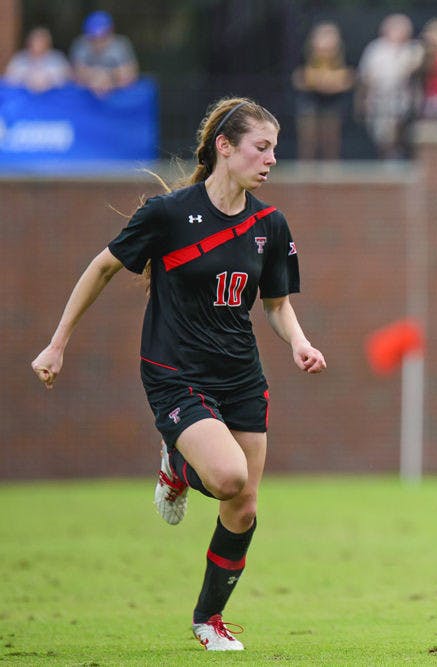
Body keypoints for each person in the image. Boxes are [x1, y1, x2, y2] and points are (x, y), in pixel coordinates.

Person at [30, 97, 327, 650]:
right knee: (229, 477)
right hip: (176, 372)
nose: (270, 160)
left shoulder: (271, 224)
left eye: (274, 151)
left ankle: (207, 621)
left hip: (242, 376)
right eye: (261, 148)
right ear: (225, 147)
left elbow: (276, 304)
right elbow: (102, 269)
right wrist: (57, 343)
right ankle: (177, 460)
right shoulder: (168, 214)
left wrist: (301, 344)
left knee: (244, 507)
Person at [355, 13, 423, 159]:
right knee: (382, 137)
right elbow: (365, 77)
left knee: (401, 135)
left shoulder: (414, 49)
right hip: (379, 100)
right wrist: (362, 101)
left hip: (405, 100)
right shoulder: (375, 49)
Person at [292, 21, 353, 160]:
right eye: (323, 36)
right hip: (310, 101)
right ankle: (306, 167)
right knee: (308, 137)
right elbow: (299, 78)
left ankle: (330, 170)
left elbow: (348, 78)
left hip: (333, 102)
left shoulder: (344, 57)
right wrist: (323, 81)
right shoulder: (304, 55)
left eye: (330, 37)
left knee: (331, 139)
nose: (327, 41)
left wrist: (326, 82)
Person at [69, 10, 139, 96]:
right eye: (93, 37)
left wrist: (108, 77)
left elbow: (130, 74)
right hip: (87, 94)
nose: (98, 42)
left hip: (116, 93)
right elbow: (75, 73)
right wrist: (96, 77)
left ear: (111, 31)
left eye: (103, 37)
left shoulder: (121, 44)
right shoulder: (81, 44)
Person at [3, 26, 72, 93]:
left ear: (48, 44)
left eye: (42, 41)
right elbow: (9, 78)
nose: (38, 44)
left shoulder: (57, 58)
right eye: (35, 41)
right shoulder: (20, 58)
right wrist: (27, 79)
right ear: (29, 43)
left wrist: (49, 80)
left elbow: (67, 78)